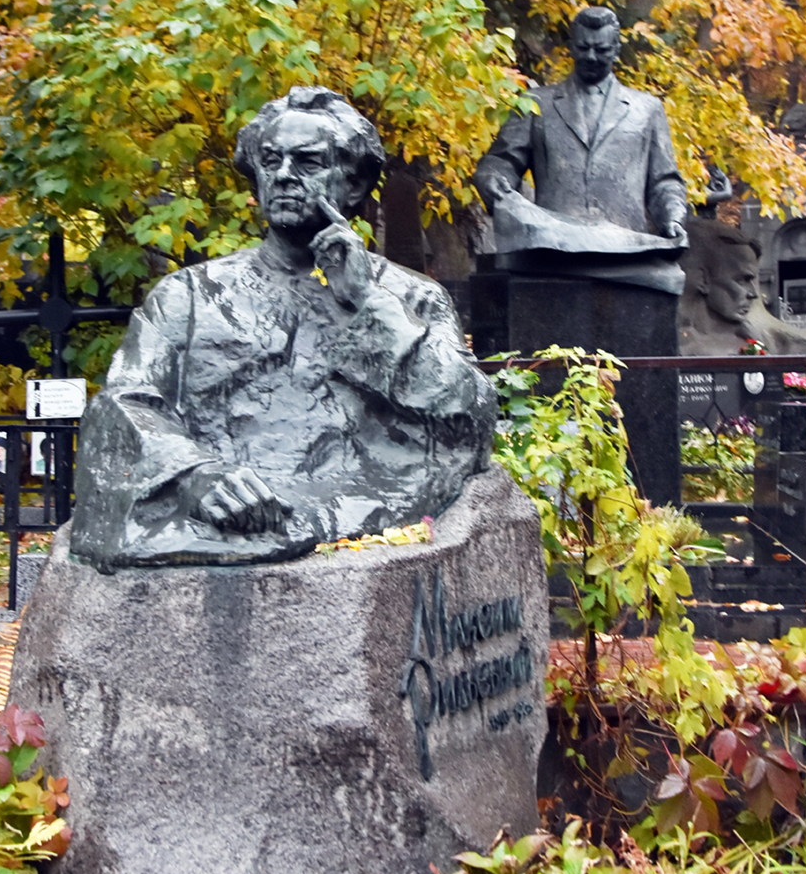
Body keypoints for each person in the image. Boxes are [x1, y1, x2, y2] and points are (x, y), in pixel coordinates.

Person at [69, 86, 497, 570]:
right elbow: (124, 405)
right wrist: (194, 476)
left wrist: (367, 302)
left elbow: (469, 420)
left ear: (354, 185)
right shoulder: (188, 295)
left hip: (351, 508)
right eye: (271, 161)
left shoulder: (410, 296)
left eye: (308, 162)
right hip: (219, 509)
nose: (284, 175)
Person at [473, 6, 689, 291]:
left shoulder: (647, 109)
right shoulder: (536, 103)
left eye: (601, 49)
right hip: (553, 254)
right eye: (583, 47)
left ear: (616, 50)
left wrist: (672, 217)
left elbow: (664, 181)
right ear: (571, 47)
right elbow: (500, 163)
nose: (591, 56)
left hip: (626, 256)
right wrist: (493, 182)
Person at [678, 220, 806, 357]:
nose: (753, 294)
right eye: (742, 280)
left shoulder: (757, 339)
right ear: (703, 279)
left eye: (753, 281)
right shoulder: (680, 342)